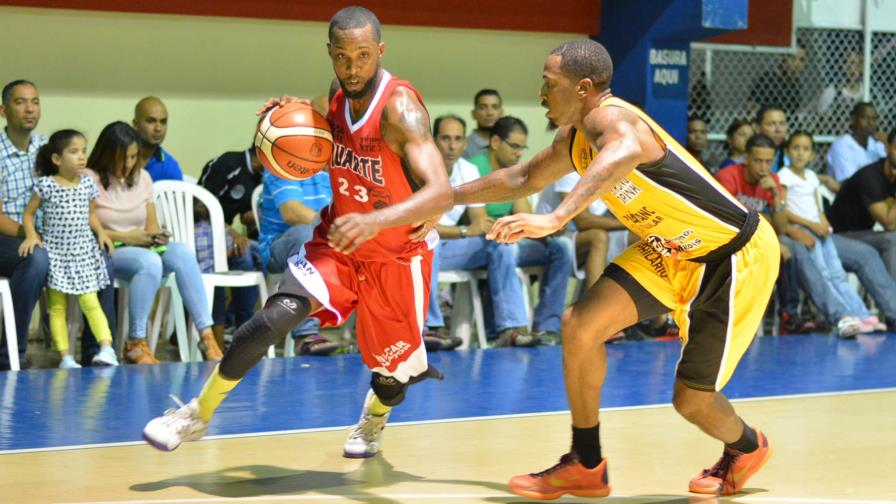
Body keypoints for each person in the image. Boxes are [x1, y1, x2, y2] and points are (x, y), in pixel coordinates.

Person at [454, 39, 777, 498]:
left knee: (692, 401)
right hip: (669, 251)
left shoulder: (615, 119)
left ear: (583, 87)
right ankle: (586, 462)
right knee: (580, 325)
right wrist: (443, 200)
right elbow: (523, 177)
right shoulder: (574, 138)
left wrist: (555, 217)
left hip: (731, 256)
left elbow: (623, 150)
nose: (541, 95)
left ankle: (747, 447)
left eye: (549, 85)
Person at [142, 6, 453, 460]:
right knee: (277, 315)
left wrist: (374, 219)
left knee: (392, 377)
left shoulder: (401, 110)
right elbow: (322, 142)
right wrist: (286, 121)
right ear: (329, 53)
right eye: (342, 57)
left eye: (363, 56)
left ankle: (375, 417)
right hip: (341, 244)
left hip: (396, 254)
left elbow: (441, 193)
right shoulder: (336, 94)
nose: (352, 68)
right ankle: (196, 413)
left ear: (381, 51)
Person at [87, 121, 222, 364]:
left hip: (141, 246)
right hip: (106, 250)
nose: (128, 165)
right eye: (122, 158)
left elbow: (150, 223)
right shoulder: (89, 178)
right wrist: (130, 237)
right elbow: (87, 227)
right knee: (149, 261)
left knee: (181, 253)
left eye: (133, 157)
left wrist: (156, 236)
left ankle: (206, 335)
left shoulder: (144, 178)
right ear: (107, 154)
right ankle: (136, 342)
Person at [18, 130, 120, 368]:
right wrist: (32, 236)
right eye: (74, 152)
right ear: (56, 159)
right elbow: (28, 214)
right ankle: (65, 357)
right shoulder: (45, 185)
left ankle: (107, 349)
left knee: (90, 301)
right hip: (56, 254)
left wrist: (102, 233)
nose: (81, 157)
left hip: (82, 252)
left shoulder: (87, 184)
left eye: (83, 151)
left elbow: (91, 214)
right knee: (57, 306)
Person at [423, 113, 522, 349]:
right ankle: (430, 328)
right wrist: (466, 230)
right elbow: (421, 226)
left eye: (458, 139)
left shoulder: (467, 170)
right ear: (433, 140)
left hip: (452, 247)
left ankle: (509, 329)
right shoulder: (420, 168)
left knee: (500, 244)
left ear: (465, 143)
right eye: (446, 138)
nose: (452, 145)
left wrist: (490, 228)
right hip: (417, 247)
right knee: (430, 241)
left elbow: (480, 221)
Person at [778, 131, 879, 334]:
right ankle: (844, 315)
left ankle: (861, 315)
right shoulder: (784, 175)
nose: (800, 153)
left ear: (813, 155)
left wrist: (825, 225)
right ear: (788, 151)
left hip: (821, 230)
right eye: (796, 148)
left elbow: (818, 207)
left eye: (805, 149)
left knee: (837, 273)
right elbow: (784, 210)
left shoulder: (812, 177)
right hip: (803, 229)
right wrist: (812, 225)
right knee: (823, 273)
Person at [0, 79, 48, 370]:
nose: (30, 109)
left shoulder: (48, 149)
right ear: (3, 111)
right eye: (20, 102)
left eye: (35, 101)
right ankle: (10, 354)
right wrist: (30, 235)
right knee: (35, 258)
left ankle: (97, 353)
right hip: (8, 236)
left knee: (101, 256)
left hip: (46, 235)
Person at [827, 128, 896, 279]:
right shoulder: (870, 176)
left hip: (865, 235)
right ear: (887, 147)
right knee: (893, 240)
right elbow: (889, 224)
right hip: (838, 237)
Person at [826, 102, 887, 185]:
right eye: (865, 117)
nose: (870, 122)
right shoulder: (842, 146)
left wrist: (889, 146)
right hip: (850, 196)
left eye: (874, 118)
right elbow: (849, 183)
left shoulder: (878, 145)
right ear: (853, 119)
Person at [133, 97, 183, 181]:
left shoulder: (169, 167)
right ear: (135, 124)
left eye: (163, 122)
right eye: (151, 121)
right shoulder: (117, 158)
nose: (158, 128)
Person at [463, 89, 504, 159]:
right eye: (483, 108)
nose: (490, 113)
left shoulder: (507, 144)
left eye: (495, 107)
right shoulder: (464, 147)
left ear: (502, 113)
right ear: (473, 114)